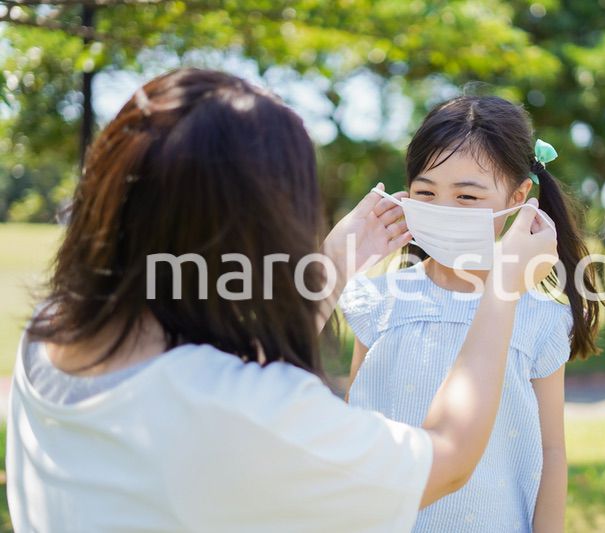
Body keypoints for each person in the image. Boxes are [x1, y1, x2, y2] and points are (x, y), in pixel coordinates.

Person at [5, 69, 558, 532]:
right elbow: (448, 456)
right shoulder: (246, 407)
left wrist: (333, 269)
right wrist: (504, 286)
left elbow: (222, 364)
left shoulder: (50, 334)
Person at [341, 95, 603, 532]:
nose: (443, 210)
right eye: (426, 192)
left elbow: (551, 450)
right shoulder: (378, 299)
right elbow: (355, 419)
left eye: (466, 196)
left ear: (519, 197)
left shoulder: (538, 317)